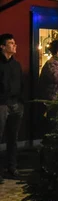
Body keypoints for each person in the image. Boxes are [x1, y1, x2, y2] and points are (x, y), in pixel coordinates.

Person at [0, 34, 24, 182]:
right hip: (2, 104)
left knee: (13, 138)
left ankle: (12, 167)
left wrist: (20, 101)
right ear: (2, 46)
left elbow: (21, 83)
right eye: (11, 43)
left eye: (15, 43)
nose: (14, 45)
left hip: (16, 104)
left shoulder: (16, 65)